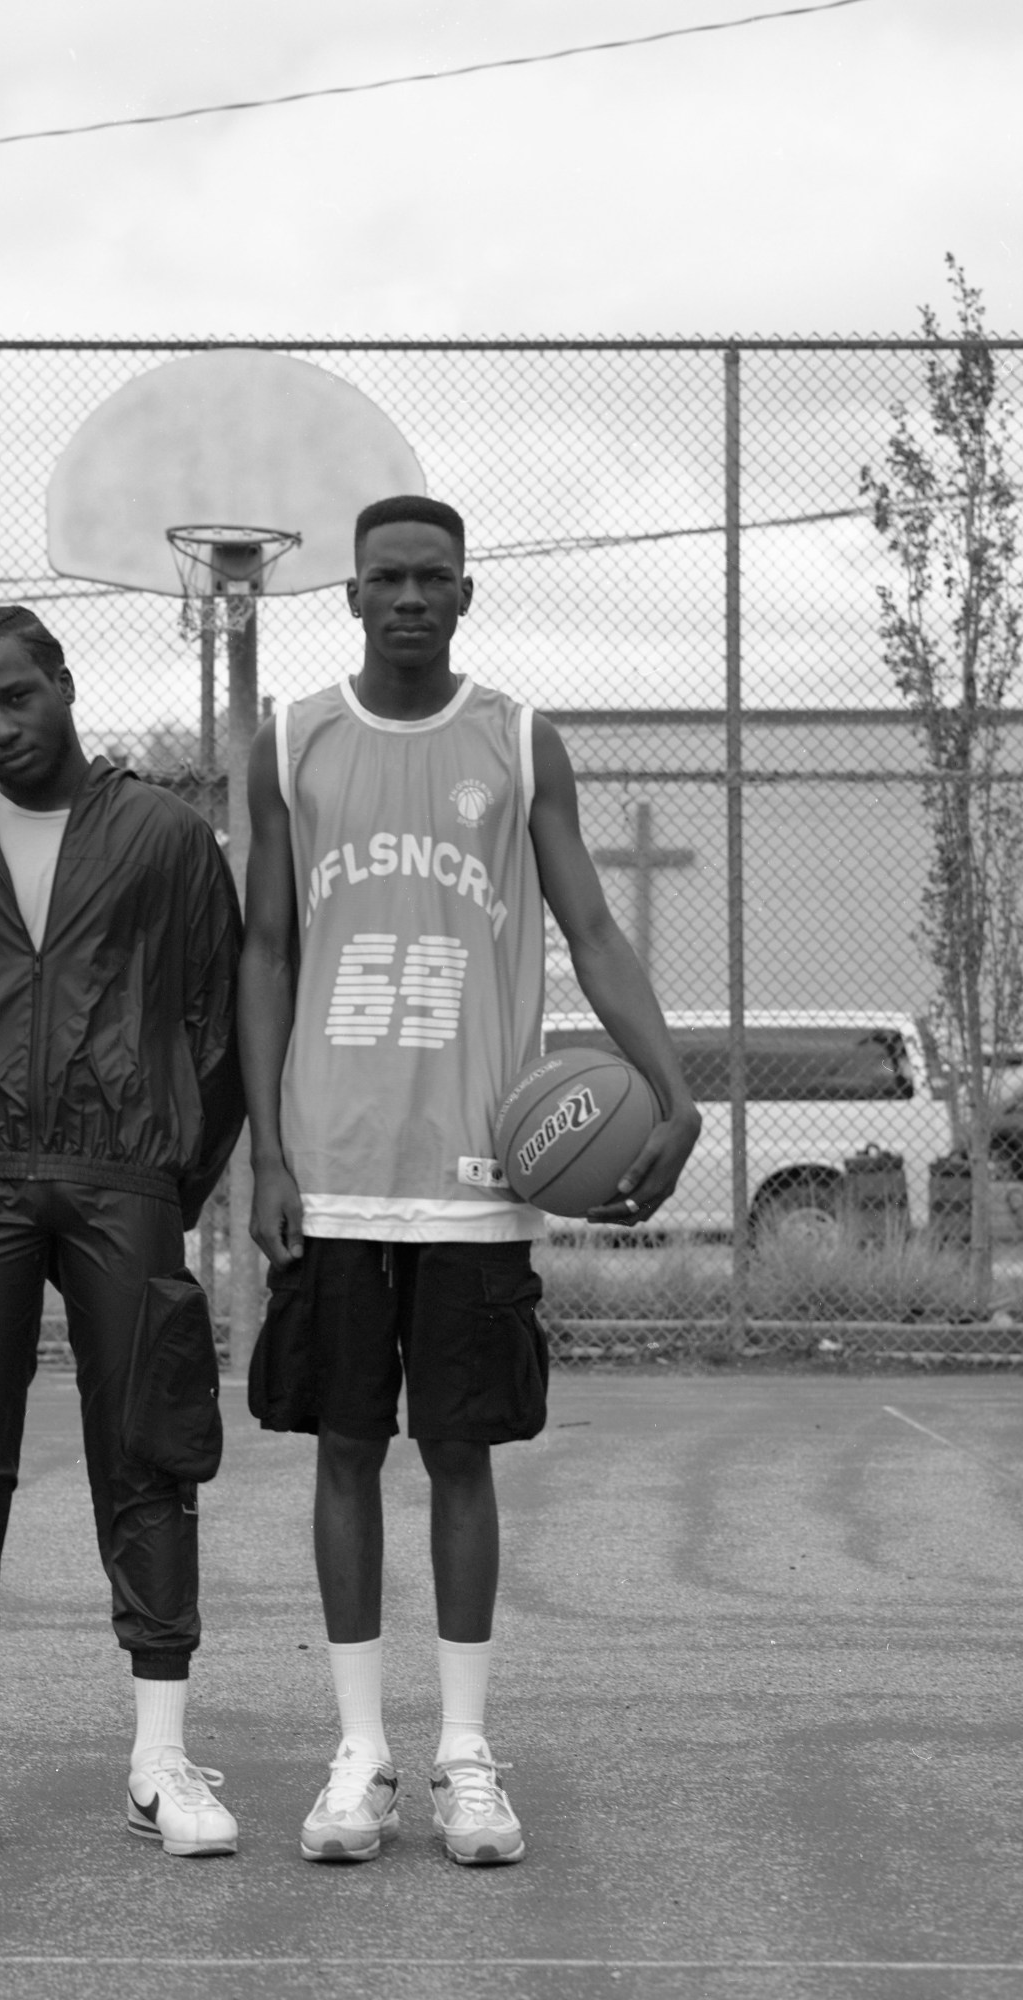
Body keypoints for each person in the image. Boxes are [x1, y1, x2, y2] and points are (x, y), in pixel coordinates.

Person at [239, 496, 700, 1867]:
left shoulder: (516, 738)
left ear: (467, 594)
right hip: (331, 1163)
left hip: (478, 1170)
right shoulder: (289, 740)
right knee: (340, 1449)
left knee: (461, 1452)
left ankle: (463, 1755)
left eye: (434, 579)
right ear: (352, 594)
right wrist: (262, 1149)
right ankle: (358, 1754)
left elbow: (595, 926)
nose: (410, 600)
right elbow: (263, 951)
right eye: (387, 578)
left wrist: (672, 1091)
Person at [0, 605, 245, 1863]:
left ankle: (160, 1760)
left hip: (121, 1171)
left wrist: (166, 1173)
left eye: (15, 697)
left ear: (64, 683)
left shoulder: (165, 839)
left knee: (147, 1447)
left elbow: (219, 1016)